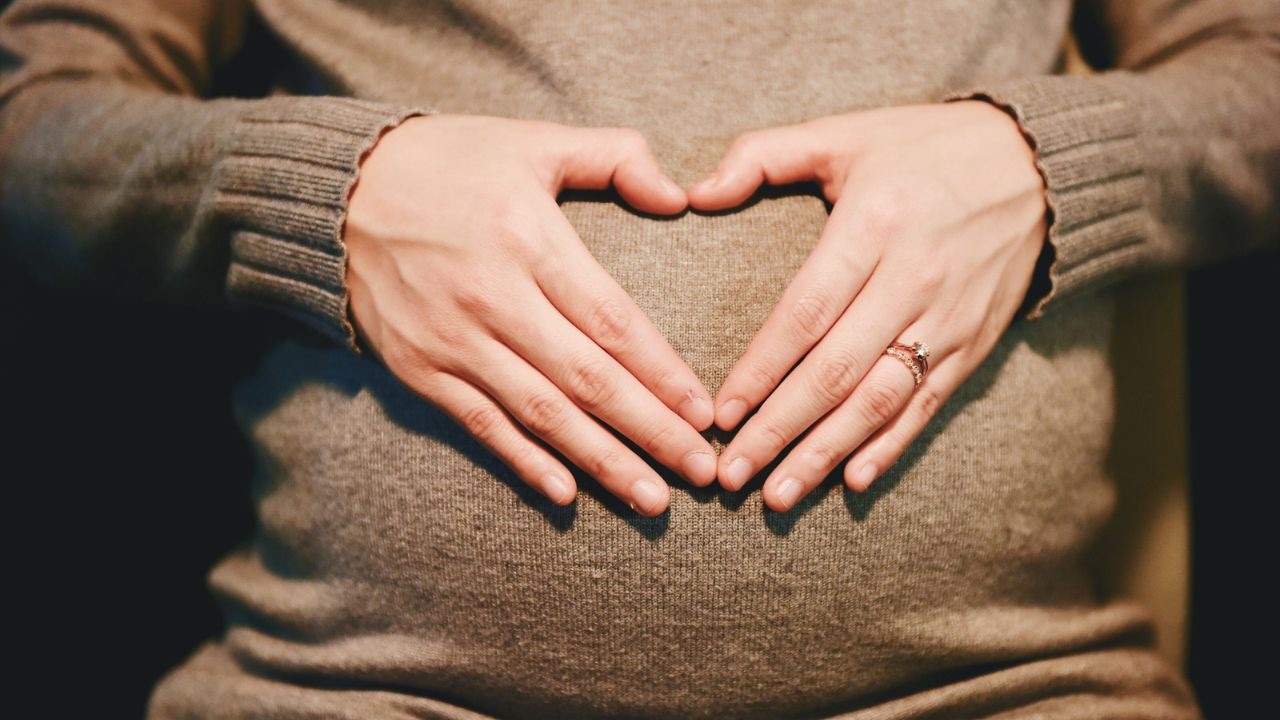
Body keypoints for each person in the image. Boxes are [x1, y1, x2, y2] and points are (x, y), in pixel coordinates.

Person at [1, 0, 1275, 717]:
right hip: (349, 696)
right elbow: (34, 117)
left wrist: (1048, 165)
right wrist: (319, 193)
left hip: (1005, 694)